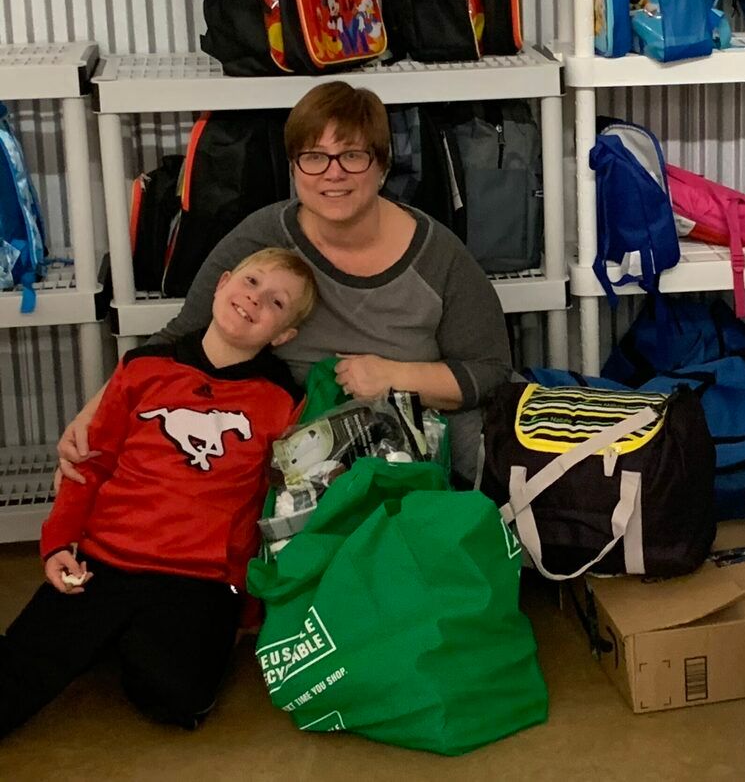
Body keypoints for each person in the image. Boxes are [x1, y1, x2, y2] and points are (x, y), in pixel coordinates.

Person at [56, 81, 512, 489]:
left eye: (352, 156)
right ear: (294, 167)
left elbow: (489, 369)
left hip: (417, 450)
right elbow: (178, 337)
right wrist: (95, 415)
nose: (333, 173)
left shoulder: (437, 254)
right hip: (290, 450)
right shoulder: (261, 237)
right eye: (314, 157)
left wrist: (394, 377)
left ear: (382, 166)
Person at [0, 247, 317, 736]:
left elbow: (263, 506)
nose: (255, 300)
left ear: (284, 335)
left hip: (200, 577)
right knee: (19, 670)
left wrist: (248, 603)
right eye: (251, 282)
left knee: (179, 702)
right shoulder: (144, 367)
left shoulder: (282, 400)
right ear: (222, 283)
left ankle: (124, 637)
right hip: (106, 558)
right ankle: (110, 630)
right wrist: (58, 543)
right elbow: (91, 464)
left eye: (277, 302)